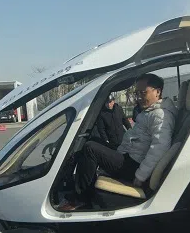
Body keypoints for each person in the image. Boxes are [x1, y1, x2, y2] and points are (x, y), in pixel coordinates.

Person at [57, 73, 177, 211]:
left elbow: (159, 148)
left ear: (158, 91)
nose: (138, 97)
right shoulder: (149, 112)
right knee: (94, 141)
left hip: (135, 167)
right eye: (137, 93)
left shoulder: (160, 115)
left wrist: (140, 175)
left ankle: (82, 198)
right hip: (129, 158)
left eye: (143, 93)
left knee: (91, 149)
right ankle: (79, 186)